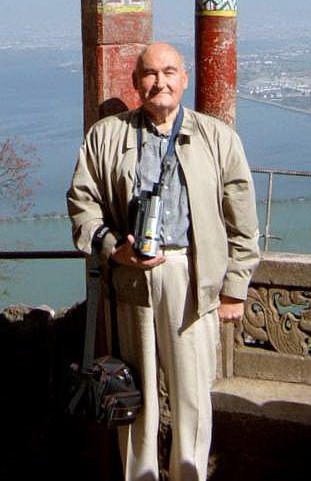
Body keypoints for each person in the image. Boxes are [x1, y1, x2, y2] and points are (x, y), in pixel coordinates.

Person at [67, 42, 259, 481]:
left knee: (192, 393)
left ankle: (189, 474)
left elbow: (243, 220)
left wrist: (235, 287)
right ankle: (141, 475)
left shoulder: (217, 138)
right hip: (130, 276)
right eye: (150, 74)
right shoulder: (107, 135)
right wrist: (113, 246)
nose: (161, 82)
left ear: (184, 78)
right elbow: (82, 202)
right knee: (133, 392)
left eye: (169, 72)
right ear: (136, 83)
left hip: (190, 274)